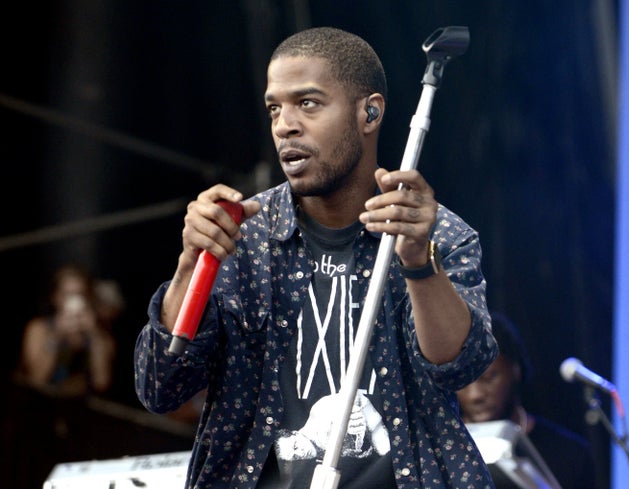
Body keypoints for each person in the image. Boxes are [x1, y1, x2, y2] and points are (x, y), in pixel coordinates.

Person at [134, 26, 498, 489]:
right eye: (274, 108)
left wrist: (418, 264)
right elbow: (160, 388)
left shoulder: (437, 233)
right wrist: (190, 266)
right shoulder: (244, 238)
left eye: (307, 103)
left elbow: (461, 366)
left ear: (369, 113)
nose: (285, 124)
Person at [456, 311, 597, 489]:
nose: (475, 395)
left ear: (516, 369)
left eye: (489, 377)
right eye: (463, 382)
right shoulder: (441, 452)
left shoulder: (569, 455)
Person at [16, 263, 116, 397]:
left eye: (80, 294)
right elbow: (36, 380)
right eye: (67, 294)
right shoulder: (39, 328)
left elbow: (102, 382)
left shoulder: (100, 333)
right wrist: (57, 336)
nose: (74, 301)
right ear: (55, 297)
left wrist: (94, 334)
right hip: (41, 406)